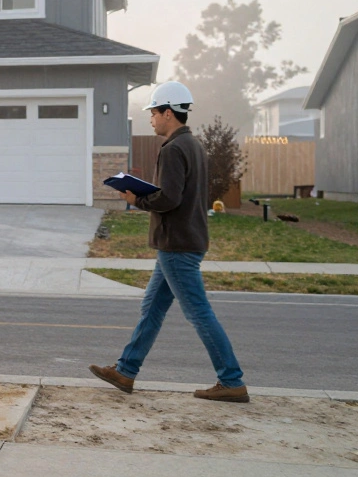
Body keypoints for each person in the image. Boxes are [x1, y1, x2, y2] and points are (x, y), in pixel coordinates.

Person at [90, 81, 249, 403]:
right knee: (151, 309)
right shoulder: (195, 145)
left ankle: (232, 380)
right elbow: (181, 194)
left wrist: (137, 199)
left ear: (167, 112)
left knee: (199, 313)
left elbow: (170, 198)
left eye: (153, 113)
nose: (151, 119)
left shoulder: (174, 149)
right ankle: (125, 371)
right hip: (183, 240)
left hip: (177, 244)